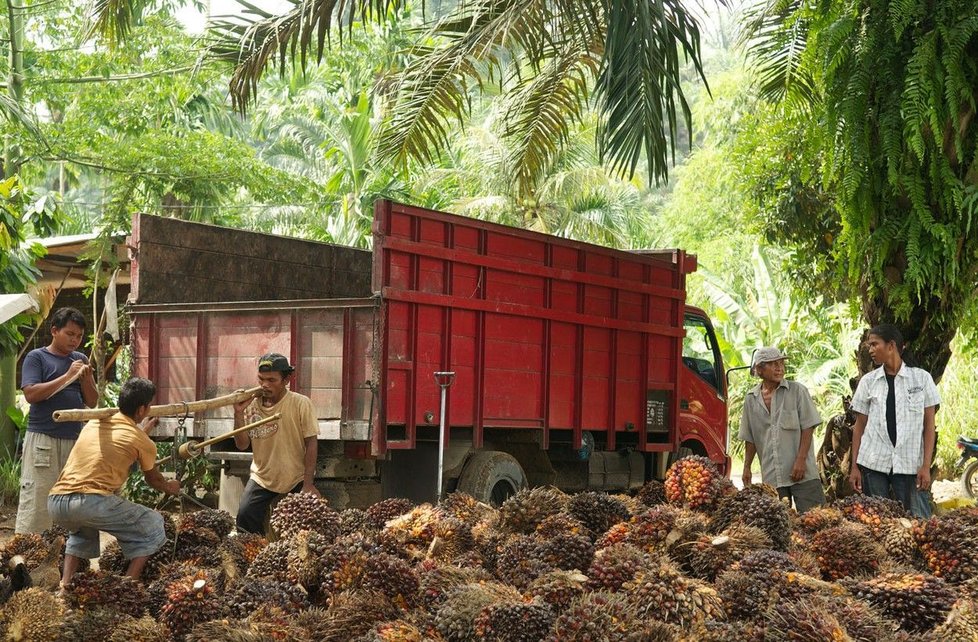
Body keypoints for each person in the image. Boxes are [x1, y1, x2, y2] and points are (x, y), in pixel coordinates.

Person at [47, 377, 180, 585]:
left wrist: (144, 429)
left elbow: (118, 444)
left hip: (57, 502)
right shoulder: (141, 441)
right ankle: (127, 586)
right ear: (141, 409)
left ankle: (65, 586)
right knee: (152, 523)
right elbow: (153, 479)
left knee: (82, 533)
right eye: (149, 406)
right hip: (89, 503)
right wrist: (170, 487)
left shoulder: (95, 423)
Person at [17, 307, 98, 534]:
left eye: (79, 336)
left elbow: (92, 401)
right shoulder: (37, 357)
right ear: (54, 330)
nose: (75, 340)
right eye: (70, 334)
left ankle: (70, 556)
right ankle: (28, 557)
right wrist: (67, 377)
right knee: (38, 499)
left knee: (74, 498)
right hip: (44, 440)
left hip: (74, 441)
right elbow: (31, 394)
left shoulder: (80, 359)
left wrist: (86, 379)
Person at [849, 324, 940, 518]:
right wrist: (854, 467)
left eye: (874, 344)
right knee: (878, 523)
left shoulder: (921, 379)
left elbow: (929, 426)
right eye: (869, 346)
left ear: (891, 345)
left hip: (910, 464)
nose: (870, 350)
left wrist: (925, 466)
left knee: (919, 523)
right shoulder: (868, 382)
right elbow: (859, 427)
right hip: (874, 464)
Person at [233, 353, 320, 535]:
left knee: (310, 524)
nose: (265, 385)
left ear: (286, 380)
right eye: (261, 379)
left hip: (295, 477)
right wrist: (238, 414)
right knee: (244, 517)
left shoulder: (300, 403)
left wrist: (308, 483)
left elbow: (311, 443)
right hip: (262, 478)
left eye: (272, 380)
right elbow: (242, 445)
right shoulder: (250, 405)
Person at [740, 347, 826, 512]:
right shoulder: (751, 399)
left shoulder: (797, 391)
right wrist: (746, 467)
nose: (779, 368)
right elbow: (750, 437)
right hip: (772, 476)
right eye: (773, 364)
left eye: (781, 363)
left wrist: (800, 461)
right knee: (776, 525)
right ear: (759, 369)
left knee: (815, 522)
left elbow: (808, 427)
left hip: (803, 473)